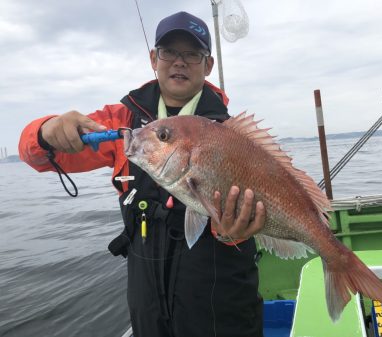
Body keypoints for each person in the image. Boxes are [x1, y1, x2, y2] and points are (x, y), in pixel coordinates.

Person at [19, 11, 266, 337]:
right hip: (147, 300)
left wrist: (233, 232)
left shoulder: (230, 135)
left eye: (192, 54)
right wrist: (46, 131)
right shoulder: (121, 124)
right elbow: (41, 157)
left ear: (208, 66)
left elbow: (254, 212)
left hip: (221, 302)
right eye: (169, 52)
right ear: (154, 58)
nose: (180, 62)